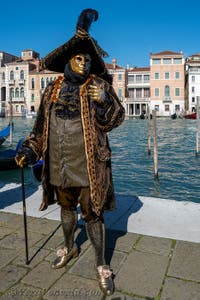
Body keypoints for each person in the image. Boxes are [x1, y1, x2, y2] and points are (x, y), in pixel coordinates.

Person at [15, 8, 125, 296]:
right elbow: (40, 128)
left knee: (93, 215)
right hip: (59, 164)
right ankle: (68, 247)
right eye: (79, 58)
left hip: (90, 164)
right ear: (68, 60)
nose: (84, 63)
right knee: (65, 209)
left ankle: (101, 264)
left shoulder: (99, 86)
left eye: (88, 59)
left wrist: (103, 102)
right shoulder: (51, 90)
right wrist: (29, 149)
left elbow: (116, 118)